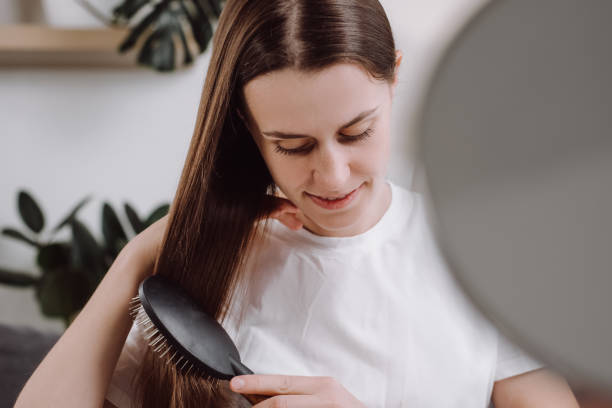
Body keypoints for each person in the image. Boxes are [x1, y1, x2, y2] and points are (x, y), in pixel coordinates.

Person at [15, 0, 581, 407]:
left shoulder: (473, 252)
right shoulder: (208, 264)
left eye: (356, 132)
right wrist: (138, 257)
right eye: (293, 145)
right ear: (246, 126)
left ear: (394, 81)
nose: (332, 174)